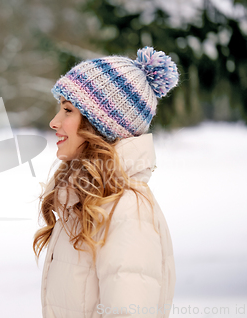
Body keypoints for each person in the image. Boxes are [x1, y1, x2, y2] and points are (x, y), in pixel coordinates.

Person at [33, 46, 178, 318]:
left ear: (99, 125)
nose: (54, 122)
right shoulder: (89, 198)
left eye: (68, 110)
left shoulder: (125, 209)